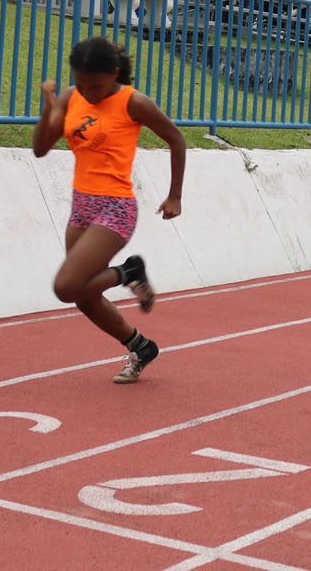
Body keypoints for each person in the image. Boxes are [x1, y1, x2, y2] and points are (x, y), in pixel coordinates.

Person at [33, 36, 187, 384]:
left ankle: (128, 272)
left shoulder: (133, 102)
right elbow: (41, 149)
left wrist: (174, 195)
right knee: (83, 297)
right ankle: (140, 346)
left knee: (66, 286)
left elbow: (176, 139)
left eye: (96, 87)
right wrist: (49, 109)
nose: (88, 93)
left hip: (115, 207)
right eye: (82, 84)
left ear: (115, 74)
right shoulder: (72, 96)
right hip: (81, 207)